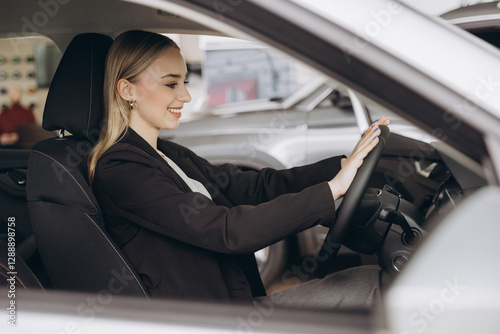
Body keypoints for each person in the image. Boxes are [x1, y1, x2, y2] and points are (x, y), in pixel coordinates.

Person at [88, 30, 390, 309]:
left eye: (184, 83)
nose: (186, 96)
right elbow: (227, 230)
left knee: (371, 281)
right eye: (171, 84)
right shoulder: (121, 169)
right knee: (375, 287)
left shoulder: (168, 153)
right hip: (214, 320)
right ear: (127, 90)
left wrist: (341, 168)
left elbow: (255, 188)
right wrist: (332, 190)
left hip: (240, 304)